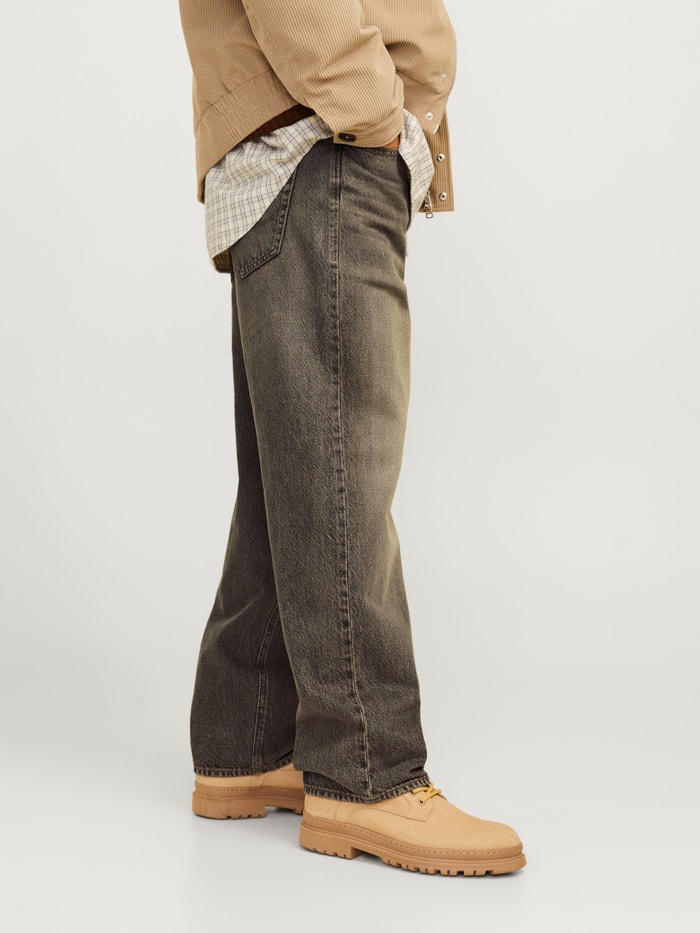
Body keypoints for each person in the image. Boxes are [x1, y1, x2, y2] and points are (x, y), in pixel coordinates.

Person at [178, 0, 525, 876]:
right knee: (344, 479)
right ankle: (366, 773)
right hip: (323, 148)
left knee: (296, 477)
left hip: (297, 153)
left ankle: (248, 741)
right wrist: (377, 117)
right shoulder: (343, 130)